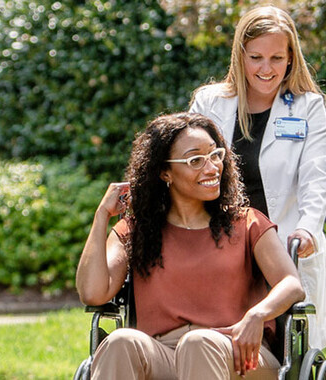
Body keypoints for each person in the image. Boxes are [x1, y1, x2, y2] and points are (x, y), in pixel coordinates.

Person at [76, 112, 306, 379]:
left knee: (198, 343)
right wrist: (102, 214)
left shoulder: (247, 222)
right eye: (195, 160)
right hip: (163, 354)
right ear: (165, 172)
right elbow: (93, 293)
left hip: (238, 354)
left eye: (215, 155)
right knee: (121, 342)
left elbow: (291, 283)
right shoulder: (137, 230)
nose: (211, 168)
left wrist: (257, 315)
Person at [188, 5, 326, 349]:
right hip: (218, 244)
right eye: (256, 57)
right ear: (240, 56)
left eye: (277, 58)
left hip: (279, 245)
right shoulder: (209, 102)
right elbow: (188, 167)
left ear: (291, 57)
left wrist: (308, 227)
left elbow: (315, 177)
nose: (266, 69)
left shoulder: (307, 107)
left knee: (277, 346)